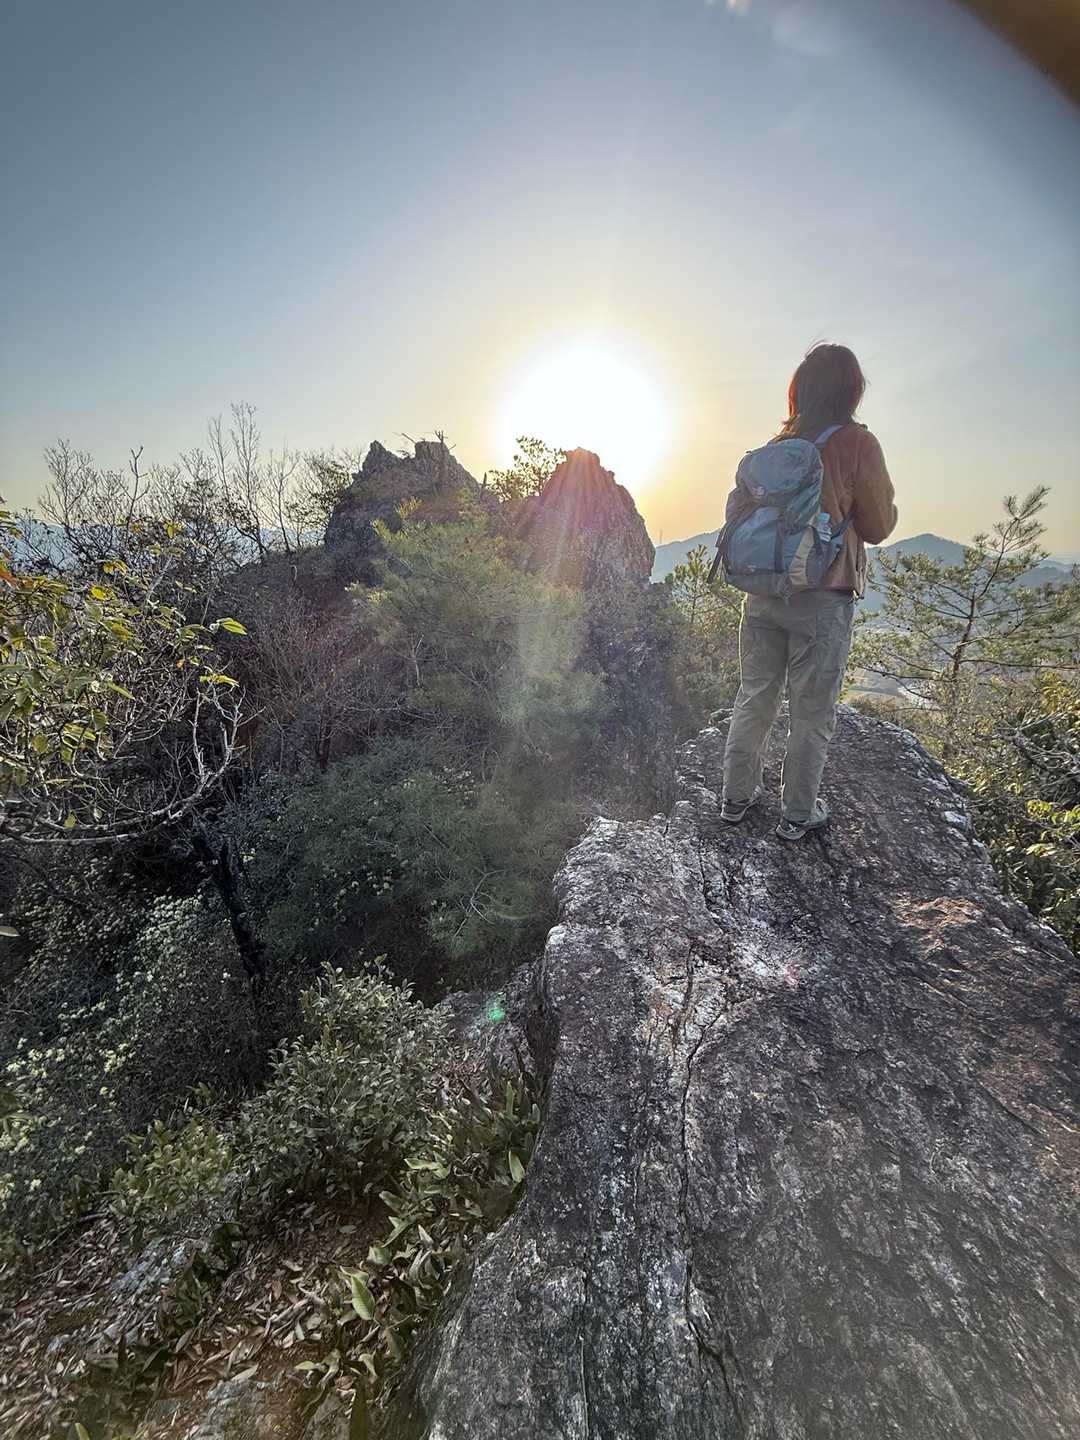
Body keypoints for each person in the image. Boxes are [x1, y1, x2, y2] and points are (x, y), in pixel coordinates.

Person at [720, 343, 897, 841]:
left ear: (798, 391)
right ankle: (798, 812)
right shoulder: (857, 444)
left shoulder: (777, 447)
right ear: (852, 391)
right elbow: (878, 526)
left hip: (762, 590)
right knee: (812, 710)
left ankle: (735, 797)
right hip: (822, 596)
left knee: (754, 695)